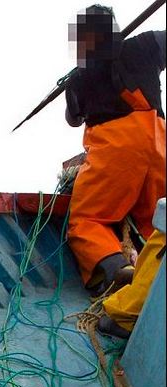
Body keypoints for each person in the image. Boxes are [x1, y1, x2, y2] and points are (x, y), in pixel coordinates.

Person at [64, 5, 166, 300]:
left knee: (87, 220)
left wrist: (77, 78)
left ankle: (115, 270)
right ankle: (155, 279)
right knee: (156, 221)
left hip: (116, 149)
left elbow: (73, 119)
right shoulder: (146, 44)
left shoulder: (79, 79)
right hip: (160, 144)